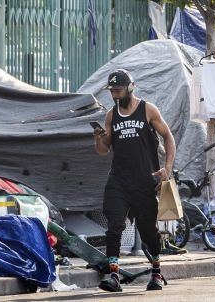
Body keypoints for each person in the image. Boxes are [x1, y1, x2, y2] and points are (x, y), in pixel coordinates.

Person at [93, 69, 176, 292]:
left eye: (118, 90)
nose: (115, 95)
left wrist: (167, 168)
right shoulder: (112, 115)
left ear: (131, 87)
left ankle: (157, 272)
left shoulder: (147, 109)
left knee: (148, 230)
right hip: (118, 179)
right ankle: (114, 276)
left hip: (144, 180)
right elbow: (104, 149)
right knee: (114, 226)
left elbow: (168, 137)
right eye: (112, 91)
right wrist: (99, 139)